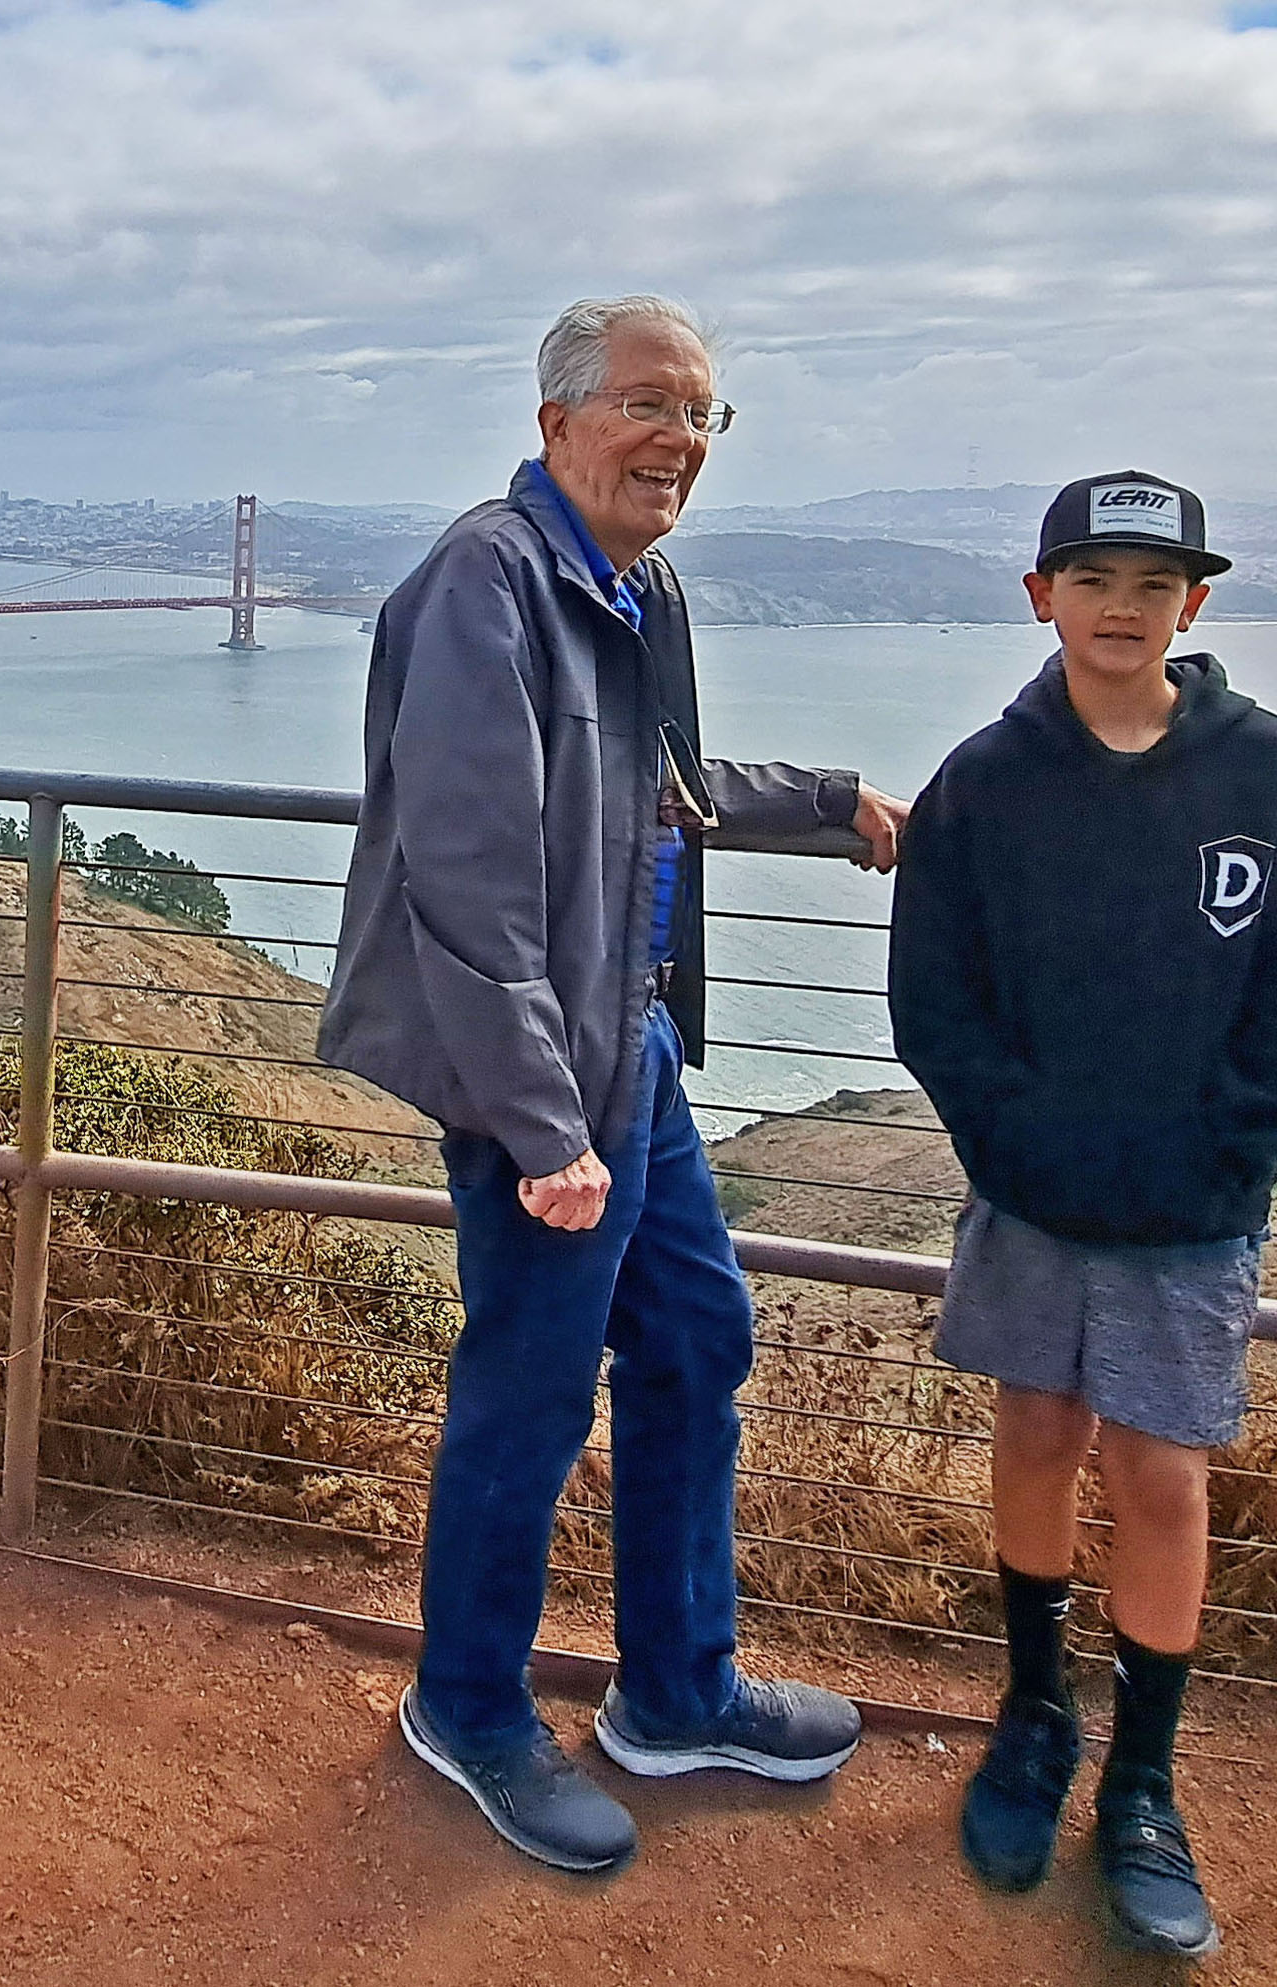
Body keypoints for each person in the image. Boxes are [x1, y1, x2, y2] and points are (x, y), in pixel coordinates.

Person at [318, 293, 911, 1874]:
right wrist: (539, 1122)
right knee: (529, 1385)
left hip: (628, 1045)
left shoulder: (639, 588)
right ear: (558, 422)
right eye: (650, 404)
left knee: (699, 1340)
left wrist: (833, 800)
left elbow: (669, 792)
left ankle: (676, 1690)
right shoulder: (486, 583)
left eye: (702, 414)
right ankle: (467, 1706)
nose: (679, 439)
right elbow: (465, 874)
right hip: (549, 1075)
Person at [886, 471, 1277, 1960]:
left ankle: (1144, 1784)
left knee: (1161, 1475)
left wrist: (1230, 1151)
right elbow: (935, 1000)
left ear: (1193, 604)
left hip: (1192, 1211)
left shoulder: (1269, 770)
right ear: (1042, 596)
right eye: (1092, 577)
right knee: (1034, 1437)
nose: (1121, 605)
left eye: (1153, 582)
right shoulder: (985, 780)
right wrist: (1015, 1144)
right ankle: (1035, 1717)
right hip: (1032, 1198)